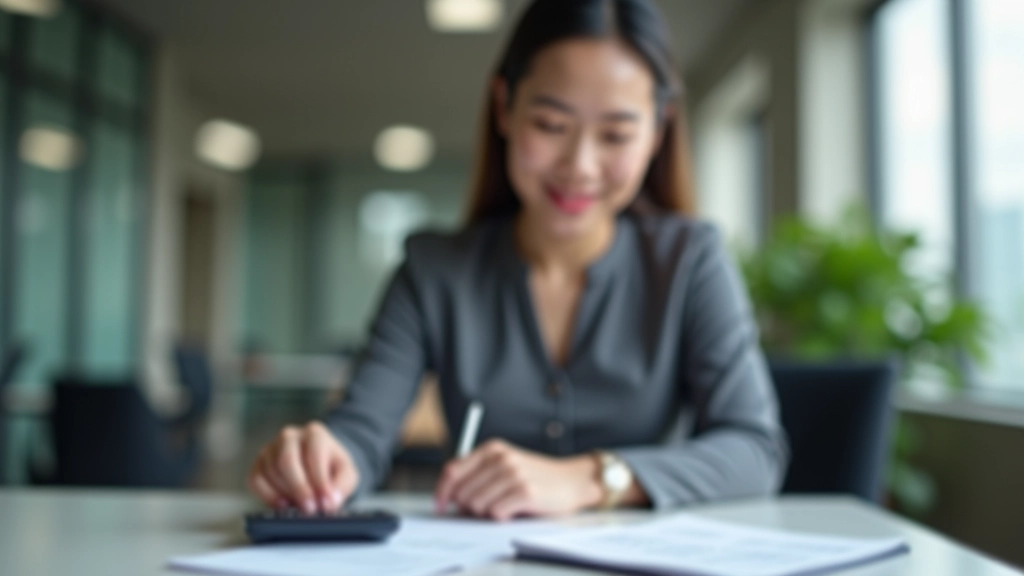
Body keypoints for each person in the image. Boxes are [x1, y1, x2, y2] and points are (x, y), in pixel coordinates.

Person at [248, 0, 788, 521]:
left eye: (616, 135)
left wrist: (588, 479)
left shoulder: (691, 260)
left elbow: (754, 450)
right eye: (551, 126)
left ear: (658, 132)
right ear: (505, 107)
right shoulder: (433, 269)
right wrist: (322, 464)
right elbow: (362, 434)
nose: (579, 166)